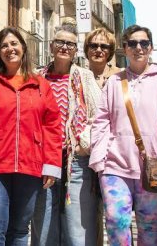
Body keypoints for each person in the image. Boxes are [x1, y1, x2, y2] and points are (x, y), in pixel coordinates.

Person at [0, 27, 63, 245]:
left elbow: (52, 126)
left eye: (14, 44)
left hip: (30, 167)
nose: (10, 49)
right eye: (4, 45)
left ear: (23, 48)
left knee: (19, 231)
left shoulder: (41, 85)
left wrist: (51, 163)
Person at [89, 24, 157, 246]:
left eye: (144, 43)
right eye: (132, 43)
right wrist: (99, 160)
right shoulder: (114, 82)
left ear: (151, 48)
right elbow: (101, 121)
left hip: (155, 165)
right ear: (125, 48)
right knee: (116, 221)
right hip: (115, 166)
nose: (138, 47)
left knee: (149, 224)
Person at [31, 22, 103, 246]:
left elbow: (99, 114)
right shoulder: (36, 77)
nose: (64, 47)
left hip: (76, 160)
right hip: (42, 159)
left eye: (70, 44)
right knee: (43, 225)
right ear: (51, 46)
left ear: (75, 49)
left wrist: (85, 144)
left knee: (78, 227)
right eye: (60, 42)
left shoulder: (85, 76)